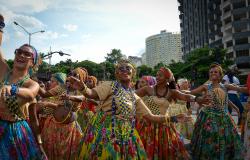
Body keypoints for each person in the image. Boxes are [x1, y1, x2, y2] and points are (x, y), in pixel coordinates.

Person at [67, 59, 195, 159]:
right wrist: (83, 88)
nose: (124, 70)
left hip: (127, 134)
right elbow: (91, 94)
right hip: (105, 132)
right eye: (120, 68)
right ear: (116, 73)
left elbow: (152, 117)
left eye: (127, 68)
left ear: (132, 73)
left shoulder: (134, 96)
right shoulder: (110, 85)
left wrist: (173, 118)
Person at [135, 68, 208, 159]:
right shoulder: (148, 89)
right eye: (156, 75)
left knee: (166, 151)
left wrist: (197, 99)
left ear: (167, 78)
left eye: (160, 75)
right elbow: (131, 95)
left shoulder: (172, 92)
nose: (157, 77)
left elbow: (185, 96)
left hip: (164, 125)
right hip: (147, 125)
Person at [0, 43, 47, 159]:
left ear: (32, 62)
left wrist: (39, 144)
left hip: (14, 134)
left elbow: (31, 94)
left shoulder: (32, 84)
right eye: (19, 52)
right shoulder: (4, 72)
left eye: (27, 54)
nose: (21, 55)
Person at [190, 64, 244, 159]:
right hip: (208, 118)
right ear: (209, 75)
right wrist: (177, 92)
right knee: (210, 139)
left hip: (224, 118)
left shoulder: (226, 86)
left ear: (220, 75)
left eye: (215, 72)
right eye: (211, 72)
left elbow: (238, 90)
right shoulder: (206, 87)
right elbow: (191, 93)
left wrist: (236, 108)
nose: (213, 73)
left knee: (225, 138)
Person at [37, 69, 85, 160]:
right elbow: (44, 94)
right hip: (53, 126)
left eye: (75, 74)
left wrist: (70, 97)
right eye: (70, 73)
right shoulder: (61, 87)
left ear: (81, 78)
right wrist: (35, 84)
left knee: (68, 155)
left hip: (69, 130)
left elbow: (82, 98)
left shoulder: (81, 90)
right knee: (50, 153)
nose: (72, 76)